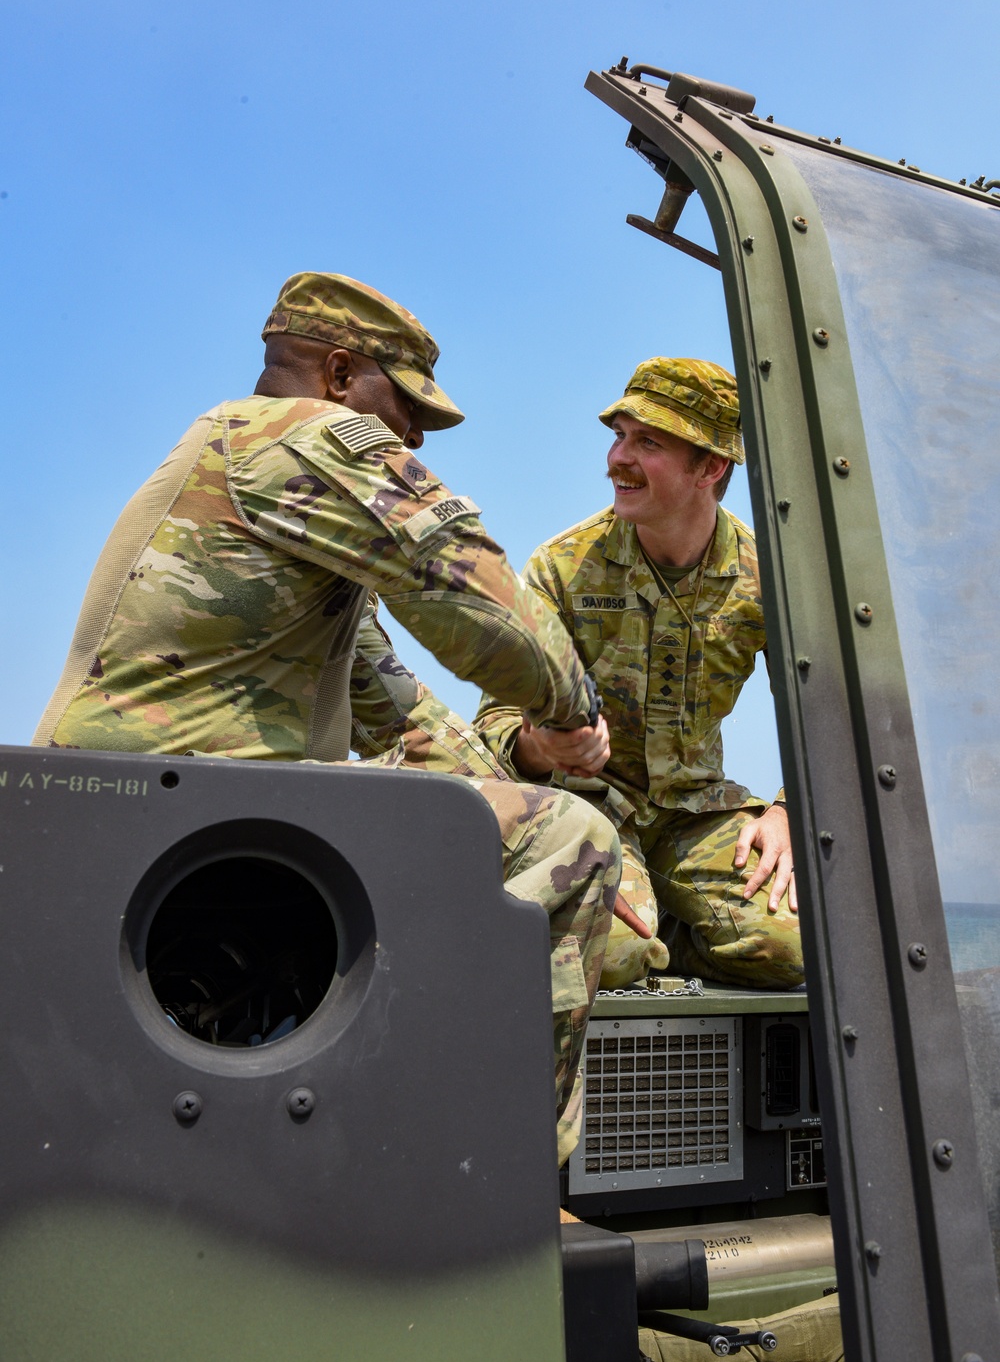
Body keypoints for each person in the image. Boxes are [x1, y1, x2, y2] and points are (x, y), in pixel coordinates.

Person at [33, 271, 643, 1162]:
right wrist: (577, 713)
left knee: (527, 827)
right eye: (407, 410)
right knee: (576, 843)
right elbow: (488, 612)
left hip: (143, 820)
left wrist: (515, 771)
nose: (411, 437)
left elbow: (394, 707)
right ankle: (508, 1190)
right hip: (196, 825)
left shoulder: (237, 462)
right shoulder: (315, 438)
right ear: (339, 373)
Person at [476, 357, 803, 991]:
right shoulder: (563, 568)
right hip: (588, 808)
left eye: (646, 442)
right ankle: (644, 934)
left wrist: (787, 812)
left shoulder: (771, 580)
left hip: (697, 815)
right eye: (618, 435)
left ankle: (666, 927)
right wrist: (539, 747)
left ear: (710, 467)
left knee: (790, 949)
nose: (616, 458)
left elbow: (828, 717)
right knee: (612, 956)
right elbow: (493, 722)